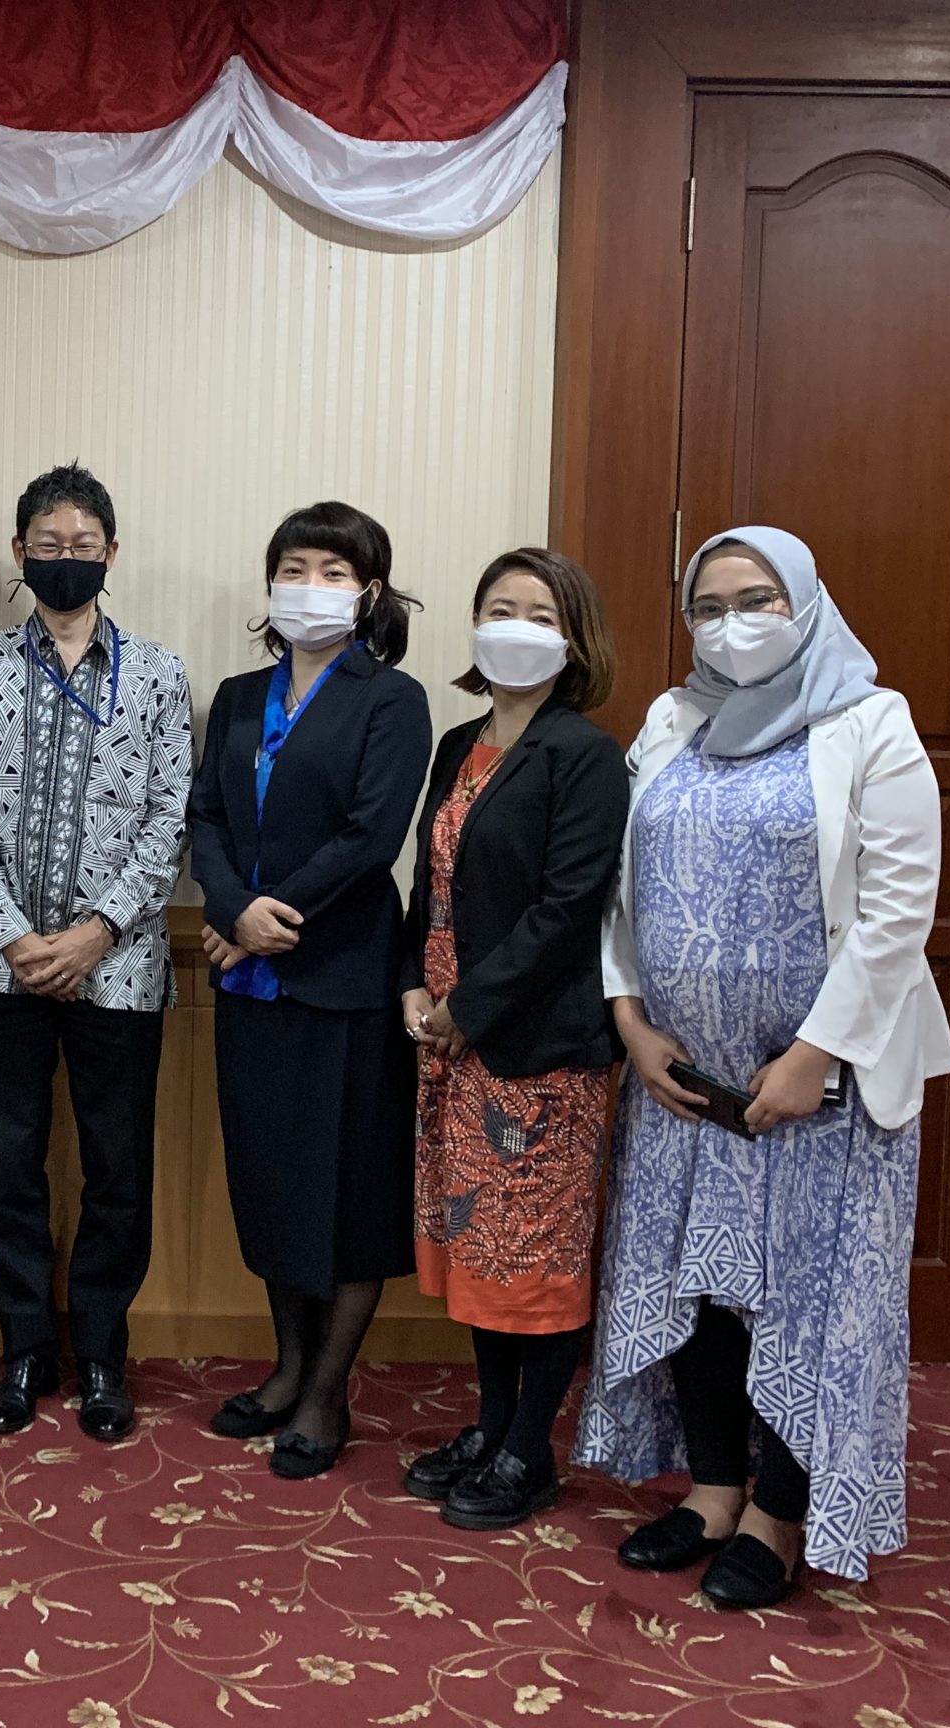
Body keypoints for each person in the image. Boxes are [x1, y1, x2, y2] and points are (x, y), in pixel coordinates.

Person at [576, 526, 950, 1610]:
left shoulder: (870, 724)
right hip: (683, 1083)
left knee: (800, 1301)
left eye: (757, 599)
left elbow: (897, 911)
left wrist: (813, 1054)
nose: (731, 623)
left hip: (815, 1095)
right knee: (693, 1288)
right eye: (708, 606)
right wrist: (628, 1019)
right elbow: (620, 890)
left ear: (806, 604)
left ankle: (779, 1514)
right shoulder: (672, 720)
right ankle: (711, 1492)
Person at [0, 465, 193, 1443]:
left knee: (114, 1169)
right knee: (7, 1166)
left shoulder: (160, 675)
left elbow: (168, 819)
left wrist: (95, 933)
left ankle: (101, 1357)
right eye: (47, 543)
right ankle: (24, 1353)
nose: (65, 557)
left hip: (118, 967)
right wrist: (15, 935)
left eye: (83, 544)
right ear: (20, 552)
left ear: (111, 554)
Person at [188, 502, 432, 1480]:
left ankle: (328, 1393)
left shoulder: (392, 700)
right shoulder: (239, 697)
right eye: (295, 568)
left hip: (344, 977)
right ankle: (287, 1369)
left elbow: (372, 837)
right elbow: (207, 817)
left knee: (350, 1196)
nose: (311, 586)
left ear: (368, 592)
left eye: (333, 571)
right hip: (249, 980)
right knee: (273, 1185)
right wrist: (229, 906)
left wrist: (266, 913)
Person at [396, 548, 629, 1530]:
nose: (516, 627)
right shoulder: (459, 742)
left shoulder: (585, 754)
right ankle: (490, 1428)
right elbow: (430, 884)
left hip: (535, 1052)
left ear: (574, 641)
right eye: (500, 608)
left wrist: (468, 1008)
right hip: (452, 1047)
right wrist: (413, 985)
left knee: (535, 1259)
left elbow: (567, 910)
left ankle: (529, 1449)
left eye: (540, 614)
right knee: (482, 1257)